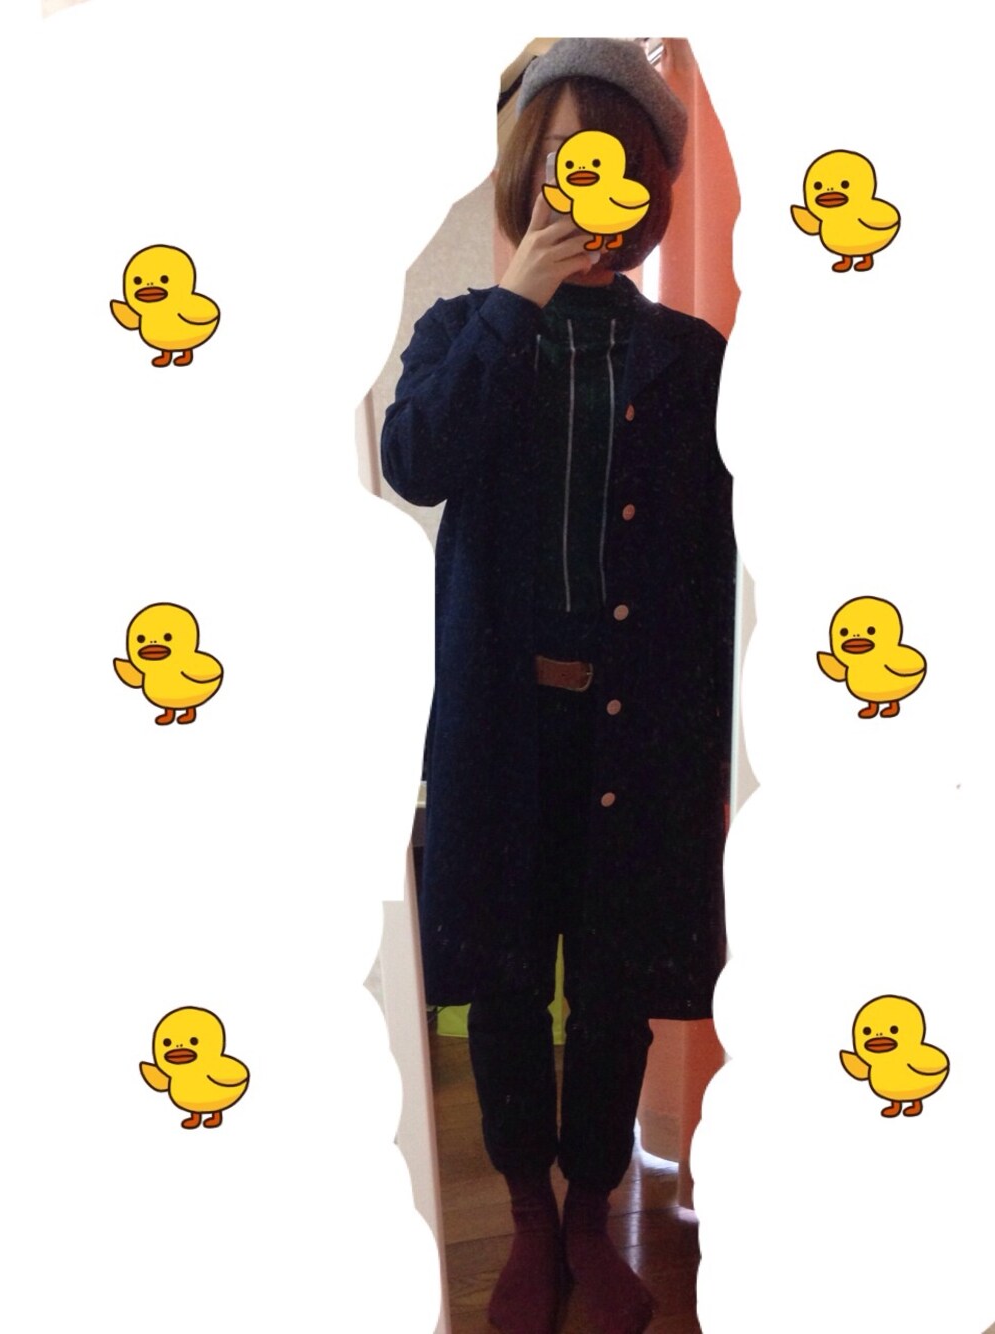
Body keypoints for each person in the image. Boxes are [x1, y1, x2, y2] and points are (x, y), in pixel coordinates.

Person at [382, 38, 735, 1334]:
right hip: (501, 726)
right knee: (506, 981)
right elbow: (416, 460)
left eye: (610, 168)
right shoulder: (463, 334)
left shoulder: (694, 361)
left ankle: (596, 1211)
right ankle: (531, 1217)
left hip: (639, 730)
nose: (581, 194)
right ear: (526, 174)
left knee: (614, 989)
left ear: (646, 192)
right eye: (558, 163)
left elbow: (717, 577)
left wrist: (709, 764)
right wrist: (515, 299)